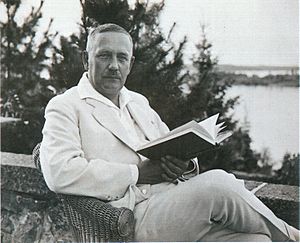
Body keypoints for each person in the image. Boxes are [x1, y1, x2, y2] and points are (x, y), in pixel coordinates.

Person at [40, 23, 299, 242]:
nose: (113, 66)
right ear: (86, 59)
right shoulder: (66, 106)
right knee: (220, 183)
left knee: (258, 240)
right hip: (130, 219)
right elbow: (59, 172)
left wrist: (183, 164)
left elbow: (167, 144)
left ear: (130, 64)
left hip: (175, 207)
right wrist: (137, 173)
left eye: (121, 58)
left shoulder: (138, 102)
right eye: (104, 55)